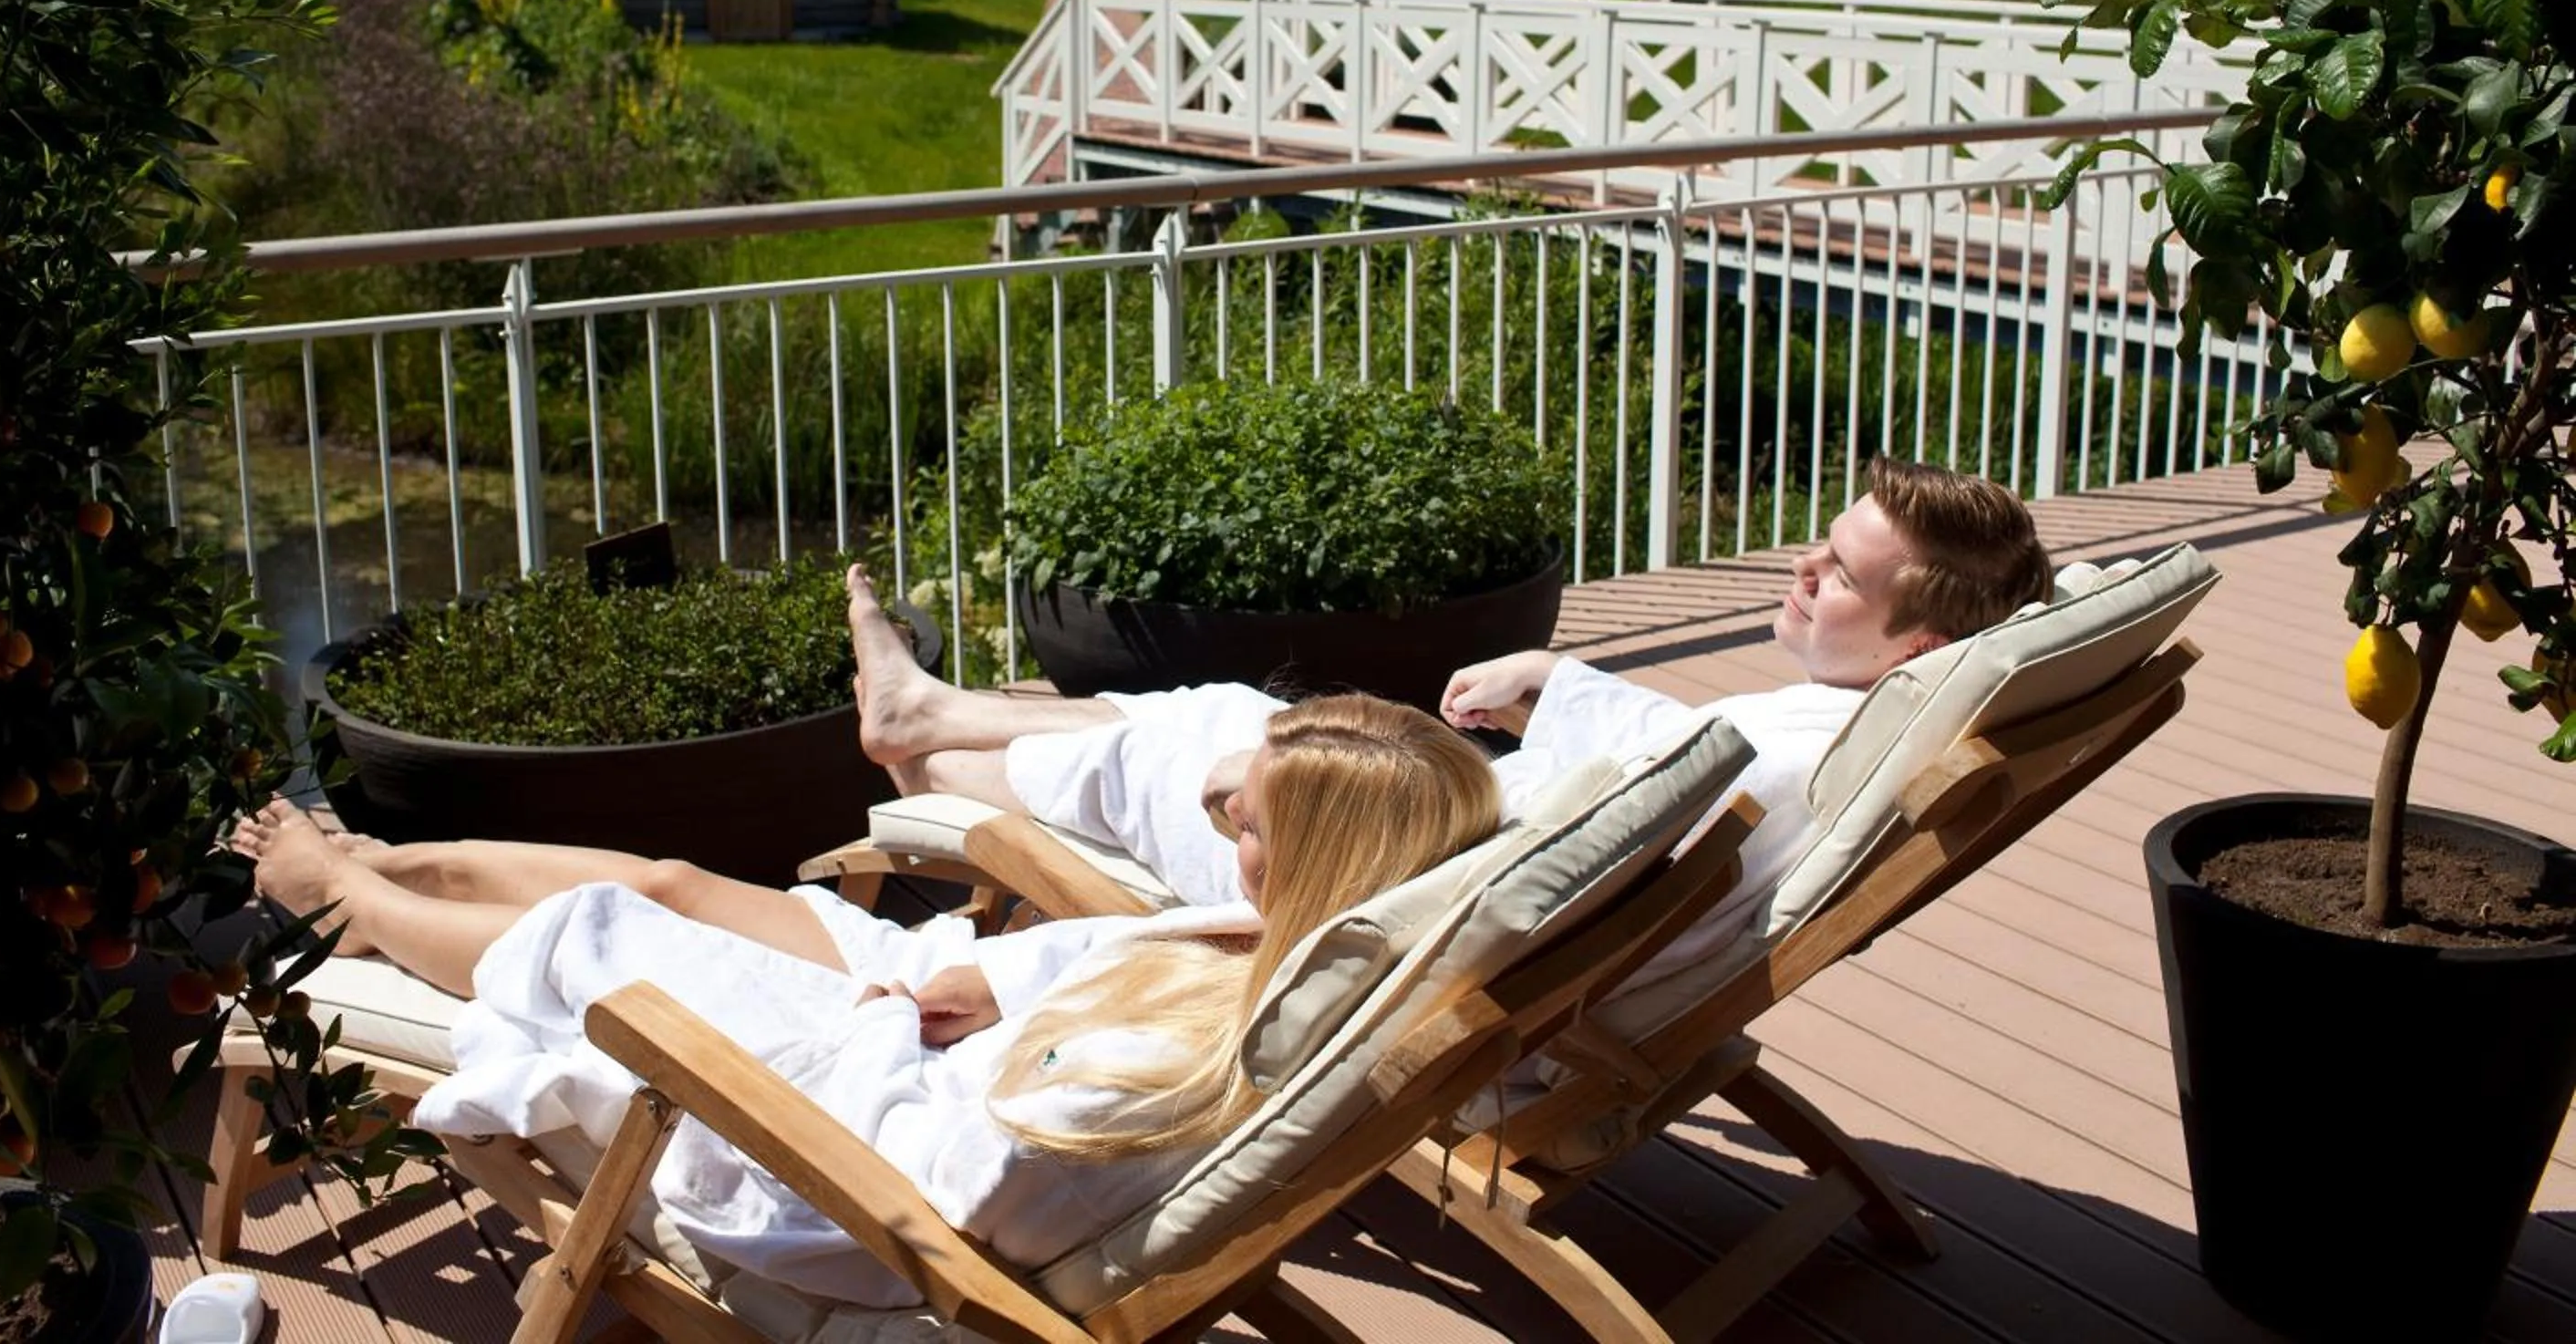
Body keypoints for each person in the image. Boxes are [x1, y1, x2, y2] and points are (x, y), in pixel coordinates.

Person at [233, 695, 1498, 1308]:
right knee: (675, 883)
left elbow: (942, 1188)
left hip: (823, 1134)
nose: (1225, 827)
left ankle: (338, 900)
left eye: (1253, 823)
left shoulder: (1180, 1063)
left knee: (591, 936)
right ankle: (384, 861)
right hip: (935, 1032)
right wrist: (987, 982)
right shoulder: (1286, 942)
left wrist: (901, 1019)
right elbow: (1108, 967)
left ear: (1330, 863)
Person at [859, 455, 2055, 967]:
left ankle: (927, 770)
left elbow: (1528, 870)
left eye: (1841, 575)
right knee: (1232, 704)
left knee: (1172, 753)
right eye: (1823, 544)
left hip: (1369, 892)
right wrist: (1560, 689)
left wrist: (1290, 786)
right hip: (1454, 850)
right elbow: (1659, 781)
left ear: (1927, 639)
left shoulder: (1800, 759)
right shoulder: (1844, 732)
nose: (1803, 570)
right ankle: (932, 708)